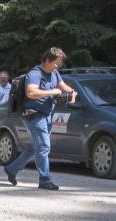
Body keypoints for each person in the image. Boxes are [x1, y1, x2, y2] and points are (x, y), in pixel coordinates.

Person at [4, 47, 77, 190]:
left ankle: (12, 169)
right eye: (56, 63)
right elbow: (31, 92)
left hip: (47, 115)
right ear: (47, 60)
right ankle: (44, 180)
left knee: (34, 147)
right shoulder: (35, 74)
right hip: (34, 115)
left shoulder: (54, 73)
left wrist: (73, 93)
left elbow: (63, 87)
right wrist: (52, 91)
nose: (59, 66)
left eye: (60, 63)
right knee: (43, 146)